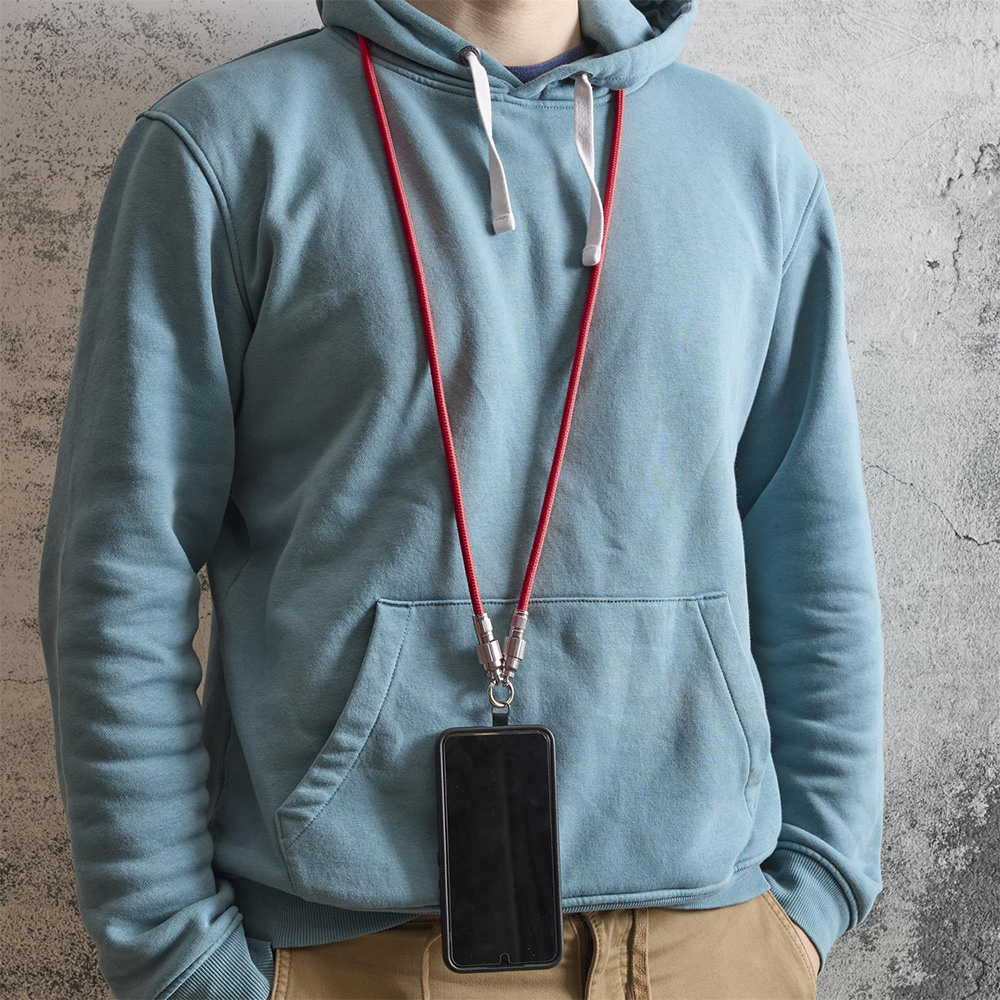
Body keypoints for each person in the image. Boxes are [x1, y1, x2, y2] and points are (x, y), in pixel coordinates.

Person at [37, 0, 885, 997]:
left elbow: (814, 557)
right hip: (354, 951)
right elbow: (117, 575)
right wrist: (179, 958)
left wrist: (815, 889)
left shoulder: (750, 157)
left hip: (717, 942)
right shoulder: (226, 144)